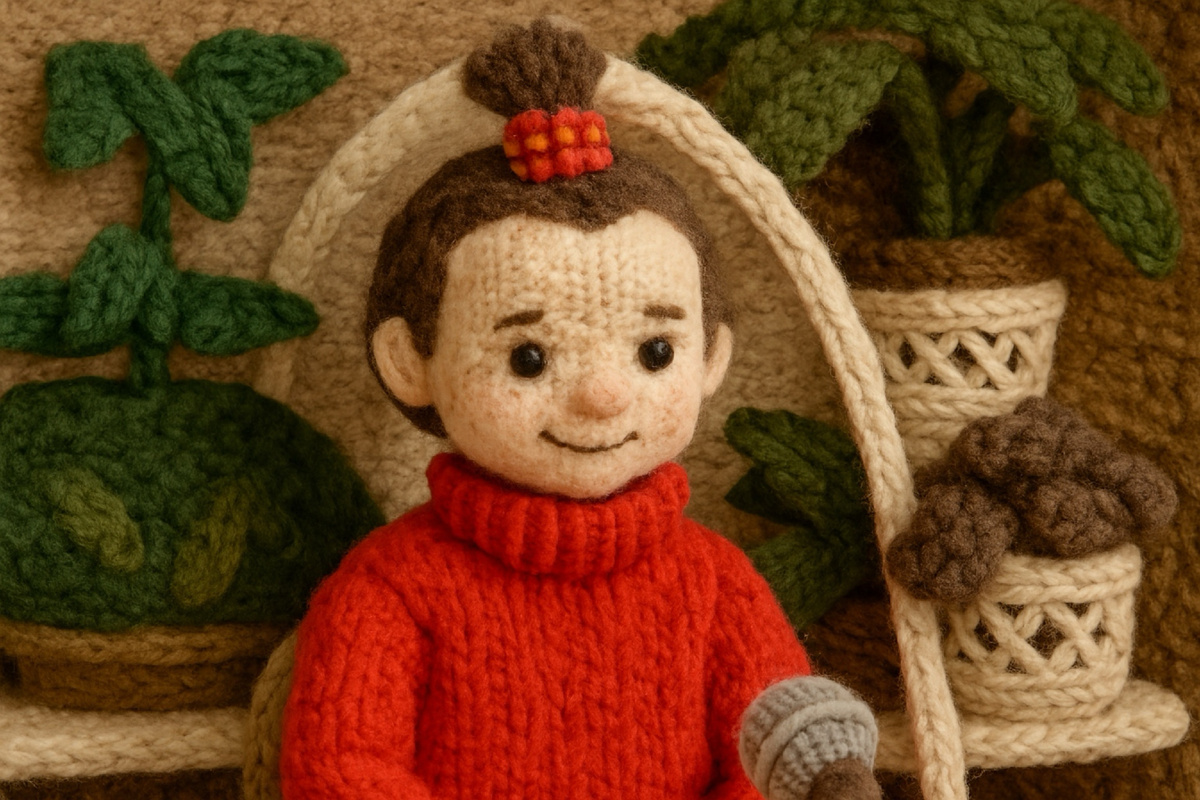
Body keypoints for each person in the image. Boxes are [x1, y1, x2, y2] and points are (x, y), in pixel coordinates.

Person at [280, 19, 879, 800]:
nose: (603, 396)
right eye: (528, 358)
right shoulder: (394, 587)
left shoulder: (715, 585)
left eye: (654, 351)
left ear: (710, 357)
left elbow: (769, 766)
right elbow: (343, 768)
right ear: (410, 362)